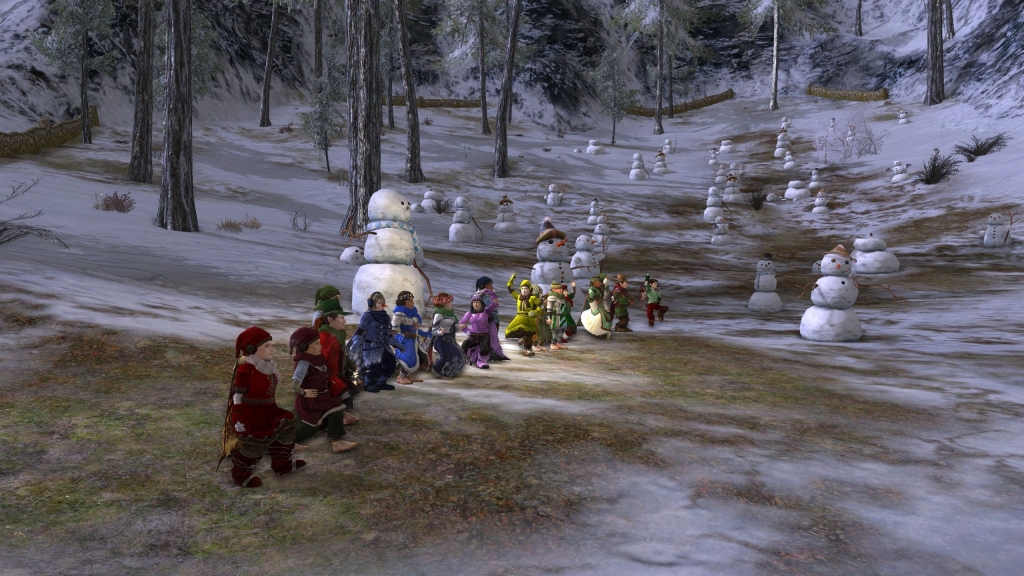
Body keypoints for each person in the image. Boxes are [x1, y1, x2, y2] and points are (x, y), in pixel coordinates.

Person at [219, 327, 305, 488]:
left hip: (268, 409)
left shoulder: (268, 366)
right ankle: (240, 474)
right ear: (252, 349)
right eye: (266, 346)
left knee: (285, 430)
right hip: (250, 412)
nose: (271, 349)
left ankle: (281, 465)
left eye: (271, 345)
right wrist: (239, 415)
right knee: (256, 443)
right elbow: (237, 395)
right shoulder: (246, 368)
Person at [289, 327, 358, 453]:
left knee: (328, 416)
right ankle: (288, 443)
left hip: (321, 398)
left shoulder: (317, 360)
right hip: (310, 401)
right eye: (316, 343)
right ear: (304, 346)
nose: (320, 346)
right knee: (313, 426)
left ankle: (336, 441)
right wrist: (304, 392)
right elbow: (294, 384)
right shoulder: (304, 363)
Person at [314, 299, 359, 425]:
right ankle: (337, 415)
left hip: (335, 375)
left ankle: (341, 413)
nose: (344, 321)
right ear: (330, 319)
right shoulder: (326, 338)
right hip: (326, 379)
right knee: (339, 392)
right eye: (341, 317)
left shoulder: (334, 336)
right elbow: (320, 362)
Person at [350, 292, 402, 393]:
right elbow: (360, 330)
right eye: (379, 302)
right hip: (371, 347)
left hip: (384, 346)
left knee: (391, 365)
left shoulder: (386, 317)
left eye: (383, 302)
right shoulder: (367, 316)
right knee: (374, 368)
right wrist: (356, 342)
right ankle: (368, 384)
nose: (382, 305)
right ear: (372, 303)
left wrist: (397, 344)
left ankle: (380, 383)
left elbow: (387, 334)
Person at [392, 291, 428, 384]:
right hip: (404, 340)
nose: (413, 302)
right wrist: (398, 339)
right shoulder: (398, 314)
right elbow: (394, 330)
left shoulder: (413, 312)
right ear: (404, 302)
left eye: (412, 300)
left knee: (415, 357)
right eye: (410, 301)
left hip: (413, 340)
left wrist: (423, 333)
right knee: (407, 358)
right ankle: (401, 376)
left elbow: (416, 328)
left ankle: (408, 375)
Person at [430, 293, 467, 378]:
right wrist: (439, 332)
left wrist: (459, 327)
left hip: (451, 340)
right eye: (449, 302)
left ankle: (449, 373)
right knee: (447, 357)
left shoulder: (451, 315)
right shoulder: (439, 314)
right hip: (442, 340)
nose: (451, 304)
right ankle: (438, 372)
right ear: (444, 303)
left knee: (459, 357)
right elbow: (433, 331)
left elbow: (453, 328)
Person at [473, 276, 511, 361]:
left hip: (494, 319)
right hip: (487, 320)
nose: (492, 286)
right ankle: (484, 355)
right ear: (483, 285)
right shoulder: (480, 296)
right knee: (487, 338)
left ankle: (493, 354)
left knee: (493, 338)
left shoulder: (488, 295)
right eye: (490, 285)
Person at [459, 293, 498, 369]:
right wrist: (467, 331)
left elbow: (495, 303)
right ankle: (461, 359)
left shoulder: (486, 311)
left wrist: (491, 293)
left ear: (481, 303)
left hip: (484, 336)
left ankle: (482, 361)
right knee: (465, 344)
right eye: (473, 302)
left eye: (477, 302)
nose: (475, 304)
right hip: (473, 336)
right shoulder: (469, 313)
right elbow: (461, 323)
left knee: (484, 347)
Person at [505, 274, 540, 356]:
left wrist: (534, 312)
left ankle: (528, 348)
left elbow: (541, 306)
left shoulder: (533, 298)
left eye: (526, 289)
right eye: (522, 289)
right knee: (510, 331)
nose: (524, 290)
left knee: (529, 333)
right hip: (519, 317)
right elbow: (510, 288)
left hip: (529, 318)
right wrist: (511, 280)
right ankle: (523, 338)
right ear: (520, 289)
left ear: (529, 289)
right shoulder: (518, 297)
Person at [546, 282, 573, 350]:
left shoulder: (562, 297)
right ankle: (552, 344)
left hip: (562, 316)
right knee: (554, 331)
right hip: (555, 317)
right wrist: (548, 318)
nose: (561, 290)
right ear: (554, 289)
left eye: (561, 288)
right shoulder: (551, 297)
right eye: (559, 289)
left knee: (561, 330)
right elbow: (549, 309)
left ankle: (559, 343)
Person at [532, 283, 554, 350]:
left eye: (541, 293)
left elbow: (545, 310)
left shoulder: (542, 301)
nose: (541, 294)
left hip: (543, 320)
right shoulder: (533, 303)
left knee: (545, 334)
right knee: (537, 335)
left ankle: (539, 345)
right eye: (540, 293)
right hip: (537, 321)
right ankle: (535, 346)